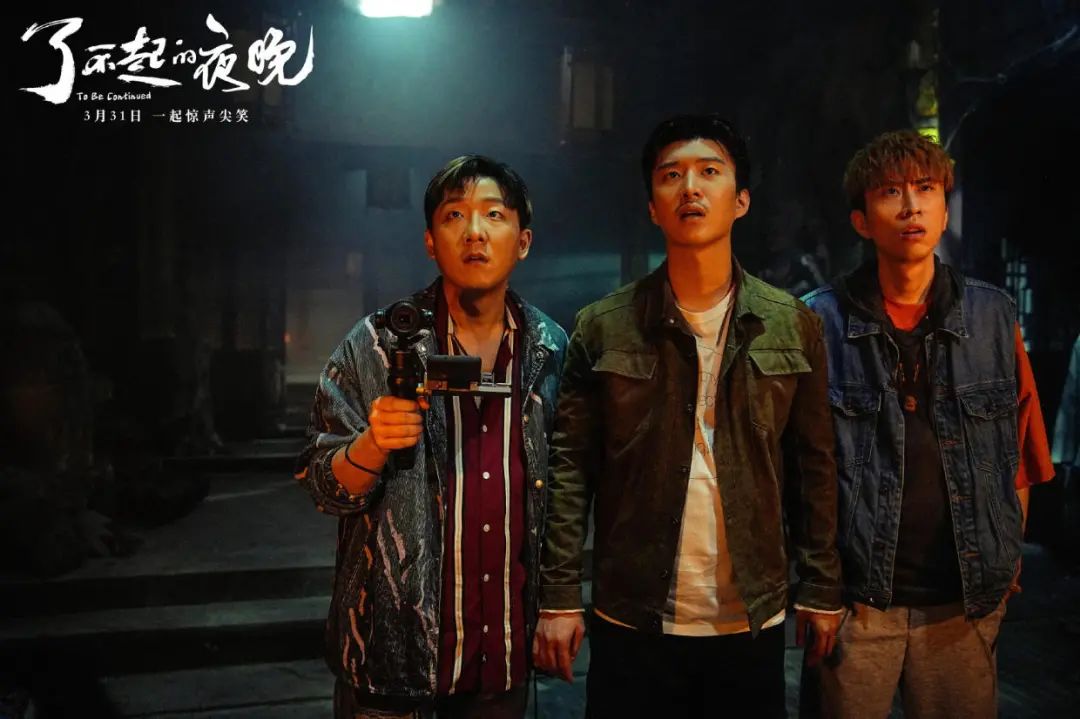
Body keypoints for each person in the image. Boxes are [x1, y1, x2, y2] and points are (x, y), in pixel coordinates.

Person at [534, 114, 843, 717]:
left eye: (709, 172)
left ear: (741, 199)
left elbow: (815, 465)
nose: (691, 188)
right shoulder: (604, 325)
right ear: (653, 207)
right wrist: (559, 596)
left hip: (749, 615)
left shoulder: (792, 323)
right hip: (632, 614)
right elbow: (569, 471)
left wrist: (823, 584)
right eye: (671, 175)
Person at [295, 155, 567, 718]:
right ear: (429, 241)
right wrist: (372, 445)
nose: (474, 231)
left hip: (503, 660)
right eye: (454, 215)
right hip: (390, 663)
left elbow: (567, 487)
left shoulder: (550, 347)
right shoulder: (375, 344)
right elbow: (322, 485)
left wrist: (561, 603)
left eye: (494, 214)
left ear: (523, 241)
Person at [801, 130, 1055, 718]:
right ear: (862, 220)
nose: (911, 206)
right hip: (857, 602)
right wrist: (816, 586)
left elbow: (1021, 454)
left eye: (926, 189)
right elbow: (802, 467)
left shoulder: (992, 314)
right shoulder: (820, 321)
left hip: (963, 601)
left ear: (944, 209)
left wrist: (1004, 560)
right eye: (891, 192)